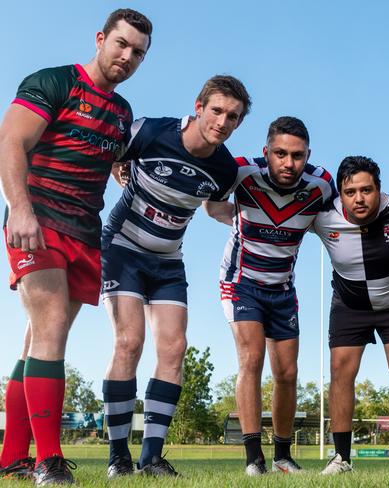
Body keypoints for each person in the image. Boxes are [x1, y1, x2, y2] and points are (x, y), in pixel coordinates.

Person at [0, 9, 152, 485]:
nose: (126, 57)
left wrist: (118, 168)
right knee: (51, 328)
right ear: (101, 38)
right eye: (121, 44)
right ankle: (48, 460)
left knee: (36, 341)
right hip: (38, 221)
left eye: (138, 53)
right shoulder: (54, 82)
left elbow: (106, 150)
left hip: (84, 232)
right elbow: (10, 142)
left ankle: (11, 458)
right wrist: (19, 209)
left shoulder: (122, 112)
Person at [100, 75, 251, 477]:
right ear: (199, 107)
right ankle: (118, 456)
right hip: (124, 249)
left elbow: (215, 209)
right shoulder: (151, 130)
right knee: (129, 342)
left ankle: (150, 457)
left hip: (168, 260)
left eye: (233, 116)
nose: (222, 121)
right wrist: (118, 162)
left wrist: (254, 217)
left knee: (174, 349)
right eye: (217, 110)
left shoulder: (223, 168)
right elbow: (109, 152)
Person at [219, 116, 335, 475]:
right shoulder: (241, 172)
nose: (289, 163)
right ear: (266, 151)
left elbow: (336, 223)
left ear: (308, 155)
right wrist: (243, 221)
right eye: (280, 154)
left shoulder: (322, 184)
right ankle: (254, 458)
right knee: (251, 360)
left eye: (297, 155)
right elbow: (210, 203)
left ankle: (283, 456)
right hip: (240, 282)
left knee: (287, 373)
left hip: (283, 288)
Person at [313, 156, 389, 476]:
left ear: (379, 188)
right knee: (340, 372)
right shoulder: (323, 216)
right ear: (340, 194)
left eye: (366, 190)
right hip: (350, 305)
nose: (359, 198)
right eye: (350, 192)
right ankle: (341, 458)